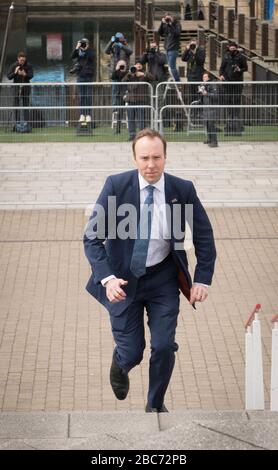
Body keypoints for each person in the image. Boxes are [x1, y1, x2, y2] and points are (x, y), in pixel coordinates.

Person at [83, 128, 216, 412]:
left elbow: (204, 236)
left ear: (166, 157)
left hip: (163, 279)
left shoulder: (182, 190)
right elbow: (92, 238)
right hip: (122, 281)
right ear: (134, 158)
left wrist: (202, 279)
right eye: (144, 158)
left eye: (157, 157)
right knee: (133, 352)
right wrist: (107, 279)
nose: (151, 164)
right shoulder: (116, 186)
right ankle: (121, 363)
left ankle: (155, 404)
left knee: (165, 345)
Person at [219, 41, 248, 135]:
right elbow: (221, 68)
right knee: (228, 101)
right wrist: (221, 75)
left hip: (237, 83)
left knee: (236, 101)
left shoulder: (241, 57)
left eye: (233, 48)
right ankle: (229, 123)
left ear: (236, 48)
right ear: (229, 48)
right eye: (230, 48)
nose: (232, 49)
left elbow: (246, 68)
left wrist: (240, 70)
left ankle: (236, 124)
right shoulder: (226, 56)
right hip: (227, 83)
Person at [122, 63, 154, 141]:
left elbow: (152, 78)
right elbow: (123, 81)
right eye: (136, 66)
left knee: (141, 118)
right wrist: (130, 73)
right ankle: (132, 135)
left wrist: (143, 73)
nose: (138, 67)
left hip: (141, 100)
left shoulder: (144, 74)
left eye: (139, 66)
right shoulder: (130, 74)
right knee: (131, 118)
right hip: (131, 100)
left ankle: (142, 135)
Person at [71, 38, 95, 123]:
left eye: (85, 44)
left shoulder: (91, 51)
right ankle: (82, 114)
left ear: (88, 44)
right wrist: (77, 47)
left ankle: (88, 114)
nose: (83, 45)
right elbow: (72, 57)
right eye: (83, 44)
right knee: (81, 96)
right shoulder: (78, 52)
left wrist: (86, 49)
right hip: (80, 76)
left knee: (88, 96)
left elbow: (92, 58)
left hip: (88, 76)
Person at [7, 51, 33, 125]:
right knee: (16, 106)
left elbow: (31, 75)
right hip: (16, 89)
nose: (22, 62)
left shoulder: (28, 65)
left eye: (24, 60)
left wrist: (25, 74)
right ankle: (17, 123)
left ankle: (26, 123)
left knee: (26, 106)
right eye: (21, 60)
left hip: (26, 88)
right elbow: (9, 77)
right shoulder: (14, 65)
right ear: (18, 59)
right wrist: (15, 72)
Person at [158, 13, 181, 82]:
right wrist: (162, 23)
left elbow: (177, 33)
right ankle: (175, 79)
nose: (168, 20)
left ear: (172, 17)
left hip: (173, 48)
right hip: (167, 49)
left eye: (169, 18)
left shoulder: (177, 24)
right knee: (170, 67)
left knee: (172, 67)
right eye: (166, 18)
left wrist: (170, 24)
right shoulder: (166, 25)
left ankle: (177, 81)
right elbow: (160, 33)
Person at [181, 39, 206, 104]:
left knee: (199, 92)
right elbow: (183, 59)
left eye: (194, 44)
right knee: (191, 93)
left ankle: (199, 109)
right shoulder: (189, 51)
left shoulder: (201, 51)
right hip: (190, 75)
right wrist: (187, 50)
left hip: (198, 75)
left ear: (197, 45)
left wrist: (195, 53)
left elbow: (201, 61)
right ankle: (192, 109)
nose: (193, 46)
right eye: (191, 44)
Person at [198, 72, 218, 147]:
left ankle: (214, 142)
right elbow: (203, 96)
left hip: (212, 107)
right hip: (205, 107)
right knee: (207, 124)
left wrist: (207, 94)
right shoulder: (204, 85)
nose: (204, 78)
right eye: (203, 77)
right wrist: (200, 93)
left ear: (209, 77)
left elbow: (216, 96)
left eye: (205, 77)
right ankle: (209, 139)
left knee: (211, 124)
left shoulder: (213, 84)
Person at [111, 60, 128, 134]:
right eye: (120, 65)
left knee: (132, 111)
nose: (122, 66)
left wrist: (124, 71)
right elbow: (113, 77)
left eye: (123, 65)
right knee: (119, 112)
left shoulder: (128, 72)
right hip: (120, 95)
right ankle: (118, 130)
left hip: (128, 94)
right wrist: (117, 69)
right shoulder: (117, 73)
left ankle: (132, 130)